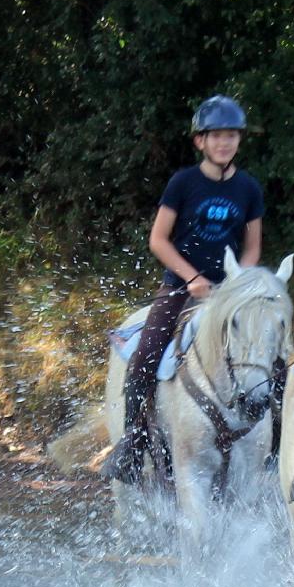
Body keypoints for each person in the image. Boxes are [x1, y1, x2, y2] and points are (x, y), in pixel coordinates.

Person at [101, 95, 265, 484]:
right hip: (179, 288)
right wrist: (191, 278)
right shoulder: (183, 183)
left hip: (230, 293)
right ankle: (134, 442)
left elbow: (254, 246)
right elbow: (158, 240)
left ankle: (269, 450)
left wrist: (239, 282)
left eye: (231, 136)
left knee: (270, 360)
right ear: (200, 142)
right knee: (145, 356)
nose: (224, 143)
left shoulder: (248, 188)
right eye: (216, 136)